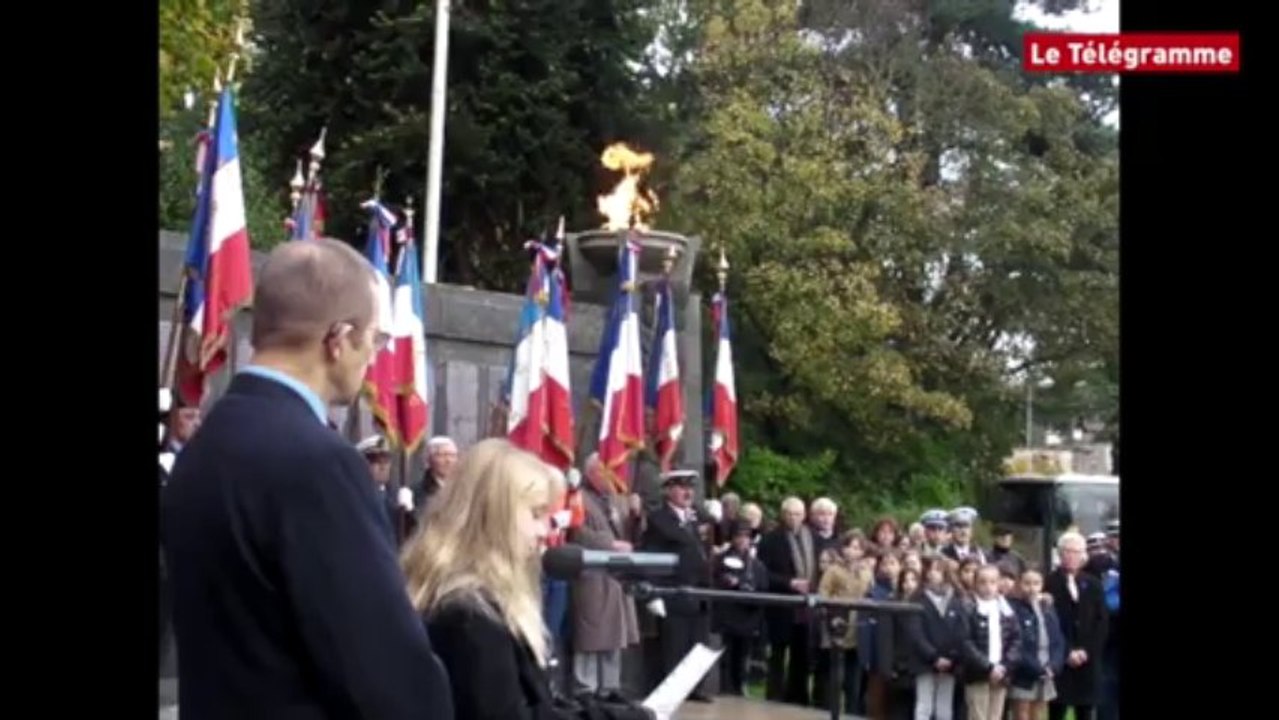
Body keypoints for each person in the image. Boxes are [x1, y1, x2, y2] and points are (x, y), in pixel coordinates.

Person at [162, 239, 453, 719]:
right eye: (375, 340)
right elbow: (387, 673)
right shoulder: (320, 463)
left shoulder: (202, 449)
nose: (374, 358)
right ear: (338, 339)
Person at [402, 438, 652, 720]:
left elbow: (533, 705)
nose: (545, 530)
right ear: (495, 514)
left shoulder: (471, 599)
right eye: (536, 514)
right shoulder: (471, 613)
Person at [569, 453, 640, 699]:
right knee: (590, 634)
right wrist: (611, 544)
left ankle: (610, 688)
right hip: (591, 574)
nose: (610, 476)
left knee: (615, 634)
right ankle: (585, 689)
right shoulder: (579, 497)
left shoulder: (618, 499)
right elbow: (576, 532)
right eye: (604, 471)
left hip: (617, 576)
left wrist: (637, 515)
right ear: (590, 473)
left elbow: (632, 534)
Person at [640, 469, 714, 703]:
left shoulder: (696, 518)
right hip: (673, 590)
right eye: (681, 487)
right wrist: (653, 593)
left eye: (690, 487)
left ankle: (695, 688)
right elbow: (650, 557)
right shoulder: (659, 519)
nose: (687, 492)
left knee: (697, 642)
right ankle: (672, 691)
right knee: (674, 644)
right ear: (668, 490)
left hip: (698, 590)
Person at [757, 496, 818, 705]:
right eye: (790, 514)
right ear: (783, 515)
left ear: (804, 515)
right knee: (778, 653)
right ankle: (774, 696)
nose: (794, 518)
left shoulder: (812, 537)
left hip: (806, 606)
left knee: (801, 653)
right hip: (781, 605)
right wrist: (790, 582)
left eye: (798, 514)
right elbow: (763, 572)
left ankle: (798, 697)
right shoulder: (771, 539)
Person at [1044, 532, 1108, 720]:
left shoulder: (1093, 583)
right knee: (1057, 709)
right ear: (1060, 553)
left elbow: (1101, 621)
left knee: (1086, 711)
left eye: (1077, 552)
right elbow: (1049, 623)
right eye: (1068, 551)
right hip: (1061, 659)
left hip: (1087, 658)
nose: (1072, 556)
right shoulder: (1049, 583)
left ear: (1083, 555)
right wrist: (1067, 651)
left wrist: (1086, 651)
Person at [906, 556, 967, 720]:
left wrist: (951, 658)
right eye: (931, 569)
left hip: (950, 663)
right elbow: (916, 633)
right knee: (924, 706)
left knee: (944, 708)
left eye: (938, 570)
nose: (933, 573)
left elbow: (961, 632)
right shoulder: (918, 598)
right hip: (924, 661)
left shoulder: (956, 600)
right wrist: (933, 657)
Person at [959, 566, 1021, 720]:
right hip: (978, 673)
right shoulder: (969, 607)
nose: (988, 587)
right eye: (983, 582)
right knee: (978, 715)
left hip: (1001, 673)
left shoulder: (1006, 609)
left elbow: (1016, 639)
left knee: (995, 716)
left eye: (992, 582)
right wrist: (988, 667)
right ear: (975, 584)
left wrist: (1005, 665)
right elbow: (966, 642)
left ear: (998, 583)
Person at [1008, 569, 1065, 720]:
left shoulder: (1047, 607)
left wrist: (1054, 665)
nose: (1032, 588)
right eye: (1027, 583)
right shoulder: (1014, 608)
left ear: (1042, 585)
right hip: (1024, 672)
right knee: (1022, 713)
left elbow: (1057, 639)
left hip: (1047, 668)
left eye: (1036, 583)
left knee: (1039, 713)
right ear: (1019, 584)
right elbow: (1016, 642)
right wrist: (1034, 667)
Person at [357, 434, 414, 547]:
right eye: (376, 462)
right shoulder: (356, 497)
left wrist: (408, 514)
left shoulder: (393, 497)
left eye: (386, 461)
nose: (383, 467)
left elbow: (409, 537)